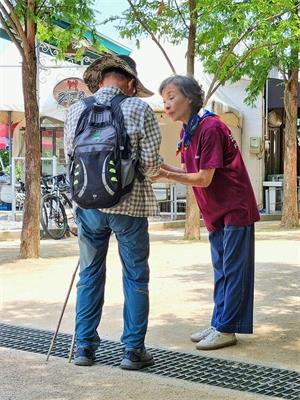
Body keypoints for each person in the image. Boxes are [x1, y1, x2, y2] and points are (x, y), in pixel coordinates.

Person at [64, 53, 162, 369]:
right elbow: (149, 164)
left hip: (88, 207)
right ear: (131, 84)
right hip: (129, 207)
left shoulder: (76, 110)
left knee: (89, 275)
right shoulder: (139, 108)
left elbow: (70, 156)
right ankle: (133, 352)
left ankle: (84, 349)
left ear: (101, 80)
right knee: (135, 276)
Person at [154, 75, 260, 350]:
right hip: (216, 211)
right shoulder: (188, 131)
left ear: (189, 97)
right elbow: (190, 172)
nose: (166, 103)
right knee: (221, 270)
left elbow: (203, 178)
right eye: (164, 98)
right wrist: (163, 169)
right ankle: (219, 322)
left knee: (233, 270)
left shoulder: (211, 127)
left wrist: (166, 174)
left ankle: (227, 329)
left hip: (234, 207)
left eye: (172, 96)